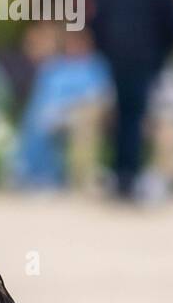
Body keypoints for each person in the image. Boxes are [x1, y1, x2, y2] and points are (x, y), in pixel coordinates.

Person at [90, 0, 173, 200]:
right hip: (144, 58)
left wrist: (105, 49)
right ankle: (128, 178)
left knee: (123, 113)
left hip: (116, 57)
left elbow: (95, 17)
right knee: (134, 115)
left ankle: (120, 174)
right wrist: (161, 55)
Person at [12, 26, 113, 191]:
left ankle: (81, 178)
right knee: (36, 119)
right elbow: (42, 97)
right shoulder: (54, 68)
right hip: (54, 116)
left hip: (84, 113)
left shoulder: (96, 65)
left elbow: (103, 96)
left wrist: (71, 107)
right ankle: (38, 174)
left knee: (84, 121)